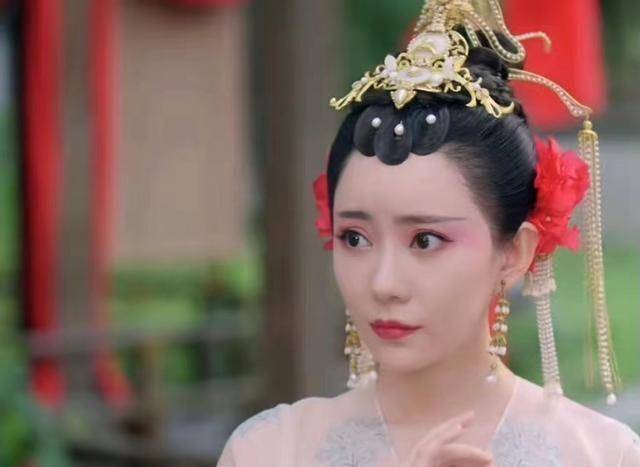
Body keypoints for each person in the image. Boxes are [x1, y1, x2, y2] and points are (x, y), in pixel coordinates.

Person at [217, 1, 640, 465]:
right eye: (355, 238)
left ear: (515, 253)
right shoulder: (269, 450)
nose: (383, 283)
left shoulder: (600, 454)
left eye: (425, 241)